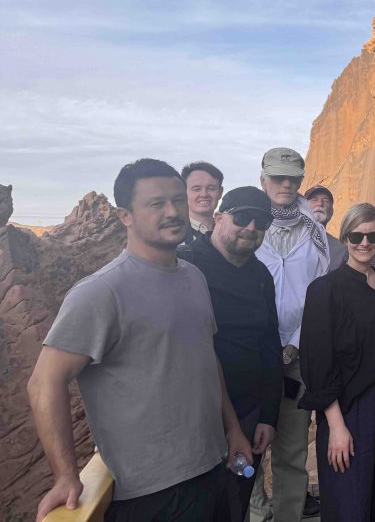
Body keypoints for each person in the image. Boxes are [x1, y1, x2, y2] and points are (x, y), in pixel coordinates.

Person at [27, 159, 251, 521]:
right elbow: (43, 384)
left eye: (178, 200)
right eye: (156, 203)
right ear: (125, 216)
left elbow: (205, 360)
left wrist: (234, 429)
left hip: (213, 470)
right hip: (151, 495)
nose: (173, 211)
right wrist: (65, 475)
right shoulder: (100, 293)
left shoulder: (193, 277)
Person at [177, 186, 283, 521]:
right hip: (193, 416)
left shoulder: (262, 276)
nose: (251, 227)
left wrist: (269, 415)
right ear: (219, 218)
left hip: (249, 412)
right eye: (242, 217)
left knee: (236, 498)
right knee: (195, 504)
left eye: (261, 221)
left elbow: (269, 345)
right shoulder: (185, 265)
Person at [299, 203, 375, 522]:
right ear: (346, 237)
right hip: (347, 407)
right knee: (350, 498)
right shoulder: (324, 290)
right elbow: (317, 362)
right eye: (356, 235)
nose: (364, 243)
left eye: (372, 235)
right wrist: (335, 426)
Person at [249, 148, 330, 522]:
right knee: (244, 446)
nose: (285, 184)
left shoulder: (315, 231)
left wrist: (296, 342)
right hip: (251, 356)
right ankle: (254, 514)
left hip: (296, 357)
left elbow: (320, 290)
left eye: (292, 178)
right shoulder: (248, 223)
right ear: (263, 179)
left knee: (292, 452)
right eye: (277, 177)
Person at [182, 160, 224, 244]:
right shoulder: (173, 233)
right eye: (196, 189)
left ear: (220, 192)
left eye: (211, 188)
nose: (204, 194)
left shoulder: (228, 232)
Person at [305, 184, 345, 271]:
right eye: (314, 199)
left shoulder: (341, 249)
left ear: (331, 211)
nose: (320, 203)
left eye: (326, 201)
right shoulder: (287, 239)